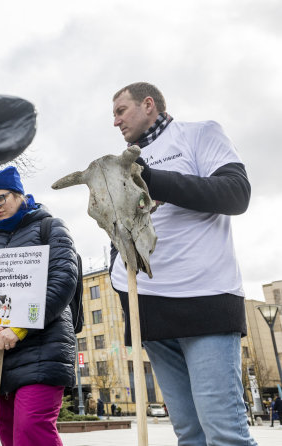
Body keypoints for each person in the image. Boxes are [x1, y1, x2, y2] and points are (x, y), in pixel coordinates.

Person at [110, 82, 256, 445]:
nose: (115, 122)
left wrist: (153, 180)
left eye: (120, 111)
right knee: (189, 433)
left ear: (148, 105)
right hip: (151, 308)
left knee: (224, 432)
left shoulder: (199, 134)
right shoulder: (126, 161)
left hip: (204, 299)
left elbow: (236, 194)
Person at [0, 166, 79, 446]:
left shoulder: (50, 228)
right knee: (7, 429)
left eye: (0, 199)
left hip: (44, 347)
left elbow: (63, 281)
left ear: (19, 195)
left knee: (31, 428)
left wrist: (20, 327)